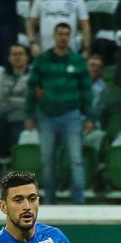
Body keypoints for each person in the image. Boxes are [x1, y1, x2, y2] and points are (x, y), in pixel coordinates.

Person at [26, 22, 94, 204]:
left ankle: (79, 200)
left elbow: (86, 91)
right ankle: (49, 199)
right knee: (47, 160)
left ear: (70, 37)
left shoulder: (78, 61)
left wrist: (90, 117)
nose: (63, 37)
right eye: (60, 34)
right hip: (46, 116)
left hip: (71, 115)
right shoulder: (42, 60)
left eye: (66, 34)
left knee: (76, 160)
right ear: (54, 36)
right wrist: (29, 114)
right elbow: (32, 88)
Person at [0, 43, 31, 175]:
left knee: (16, 132)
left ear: (27, 57)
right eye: (14, 54)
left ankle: (18, 170)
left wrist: (10, 100)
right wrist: (18, 99)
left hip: (24, 119)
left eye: (20, 54)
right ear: (9, 58)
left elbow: (29, 103)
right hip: (3, 117)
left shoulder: (33, 76)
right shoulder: (1, 76)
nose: (17, 57)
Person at [27, 0, 91, 57]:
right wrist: (32, 43)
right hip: (45, 49)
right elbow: (30, 23)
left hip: (70, 49)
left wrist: (86, 49)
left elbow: (85, 25)